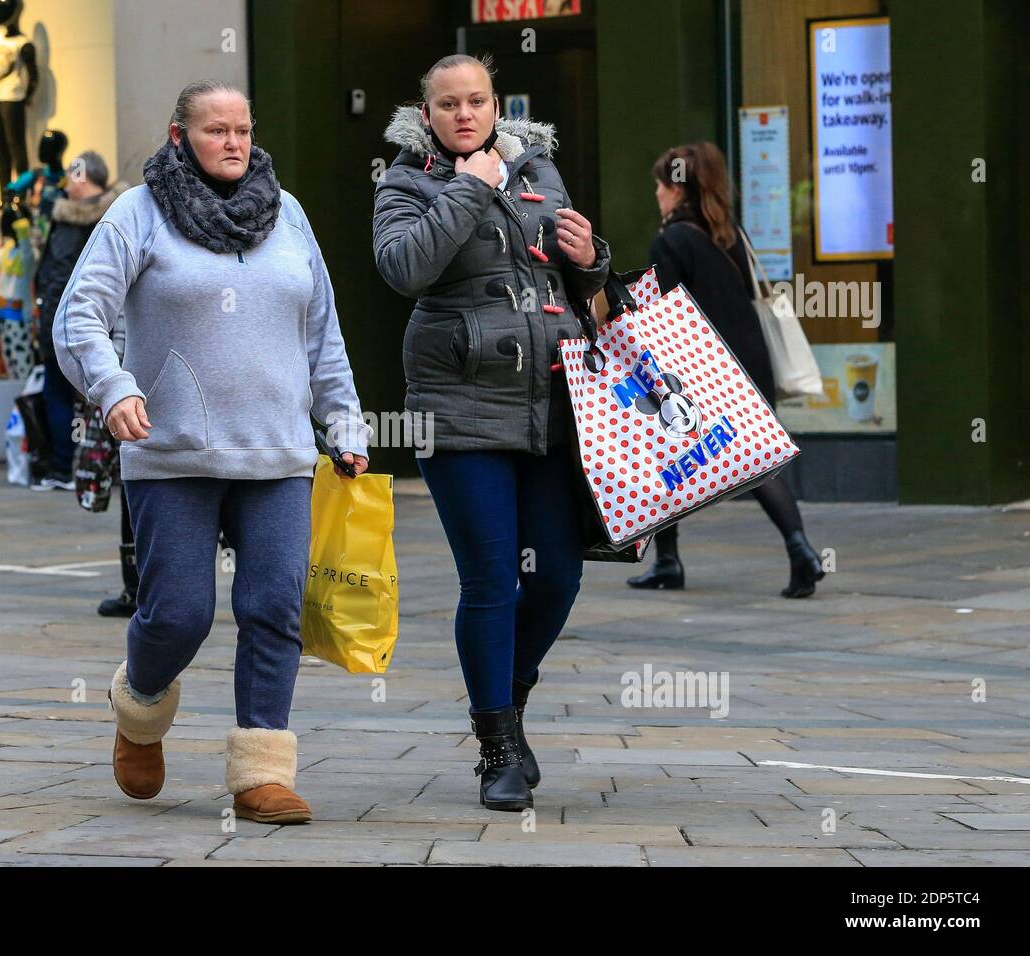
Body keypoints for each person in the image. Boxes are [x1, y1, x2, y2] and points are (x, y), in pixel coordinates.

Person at [54, 79, 371, 825]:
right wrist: (114, 387)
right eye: (215, 130)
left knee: (273, 608)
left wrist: (345, 421)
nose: (234, 142)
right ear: (177, 137)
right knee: (179, 615)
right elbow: (80, 316)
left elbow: (322, 333)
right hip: (172, 455)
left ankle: (261, 772)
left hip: (279, 453)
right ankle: (139, 713)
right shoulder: (137, 214)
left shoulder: (288, 215)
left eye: (243, 129)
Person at [372, 54, 610, 811]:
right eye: (449, 105)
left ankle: (507, 698)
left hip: (552, 405)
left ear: (497, 103)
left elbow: (573, 280)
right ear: (428, 113)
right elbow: (403, 268)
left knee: (559, 578)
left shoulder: (538, 167)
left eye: (477, 101)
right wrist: (468, 191)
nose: (465, 114)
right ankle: (497, 748)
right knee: (492, 581)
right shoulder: (406, 181)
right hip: (458, 408)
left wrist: (591, 258)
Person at [627, 141, 825, 598]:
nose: (657, 192)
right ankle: (798, 550)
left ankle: (672, 561)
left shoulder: (671, 241)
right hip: (748, 358)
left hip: (702, 365)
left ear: (678, 190)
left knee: (668, 456)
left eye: (661, 184)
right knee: (755, 462)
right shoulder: (730, 232)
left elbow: (664, 314)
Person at [34, 149, 127, 491]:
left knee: (59, 393)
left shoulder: (74, 222)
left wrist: (49, 324)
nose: (66, 184)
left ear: (84, 178)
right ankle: (100, 466)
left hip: (76, 324)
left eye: (73, 175)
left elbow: (58, 279)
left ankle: (65, 468)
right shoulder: (119, 214)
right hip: (110, 326)